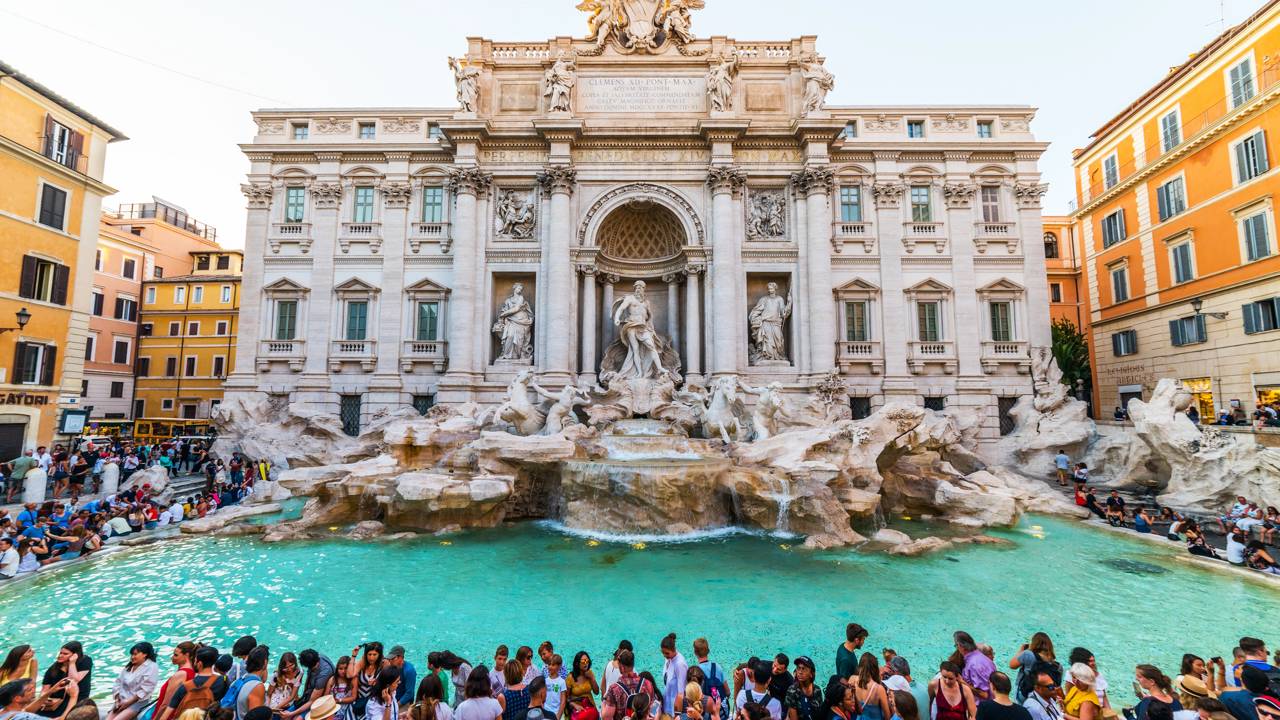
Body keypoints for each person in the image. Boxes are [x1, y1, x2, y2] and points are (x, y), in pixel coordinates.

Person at [160, 646, 222, 720]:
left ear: (199, 664)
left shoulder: (185, 686)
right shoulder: (222, 681)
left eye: (195, 660)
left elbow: (167, 712)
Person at [38, 642, 91, 720]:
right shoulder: (53, 669)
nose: (60, 656)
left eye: (65, 654)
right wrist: (45, 699)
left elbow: (73, 680)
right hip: (56, 701)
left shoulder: (85, 661)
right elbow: (44, 689)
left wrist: (72, 663)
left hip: (77, 698)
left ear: (75, 655)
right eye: (60, 653)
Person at [107, 643, 159, 720]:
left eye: (135, 654)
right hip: (122, 700)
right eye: (131, 654)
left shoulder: (152, 667)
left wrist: (128, 703)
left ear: (145, 654)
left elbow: (146, 689)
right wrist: (117, 699)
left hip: (138, 702)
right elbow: (118, 682)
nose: (132, 657)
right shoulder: (129, 666)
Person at [1011, 634, 1062, 704]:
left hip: (1025, 693)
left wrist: (1021, 651)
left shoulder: (1028, 654)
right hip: (1043, 697)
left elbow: (1012, 665)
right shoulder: (1058, 666)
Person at [287, 650, 335, 720]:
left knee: (296, 718)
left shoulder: (324, 673)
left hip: (319, 702)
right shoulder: (315, 657)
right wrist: (303, 696)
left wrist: (291, 714)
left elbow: (312, 701)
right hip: (309, 695)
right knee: (286, 714)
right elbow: (309, 677)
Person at [956, 633, 995, 701]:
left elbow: (984, 694)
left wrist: (962, 682)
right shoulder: (983, 660)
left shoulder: (974, 664)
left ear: (960, 646)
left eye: (956, 645)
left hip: (980, 709)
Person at [850, 654, 890, 720]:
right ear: (875, 668)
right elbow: (887, 716)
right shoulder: (879, 689)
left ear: (860, 666)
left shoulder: (852, 679)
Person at [660, 635, 688, 720]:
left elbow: (681, 693)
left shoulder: (680, 664)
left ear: (674, 650)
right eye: (663, 652)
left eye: (667, 653)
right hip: (667, 703)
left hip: (674, 709)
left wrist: (677, 715)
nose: (664, 655)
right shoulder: (668, 658)